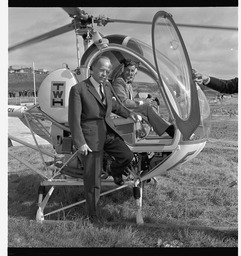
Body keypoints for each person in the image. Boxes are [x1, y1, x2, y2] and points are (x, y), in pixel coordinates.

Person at [68, 56, 138, 223]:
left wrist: (129, 114)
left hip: (107, 132)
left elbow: (113, 105)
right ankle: (93, 216)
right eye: (102, 70)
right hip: (90, 138)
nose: (105, 74)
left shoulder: (106, 86)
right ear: (92, 69)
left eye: (107, 71)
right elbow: (74, 119)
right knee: (93, 180)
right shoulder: (79, 89)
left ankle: (114, 171)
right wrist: (80, 143)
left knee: (127, 156)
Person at [112, 59, 175, 138]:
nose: (130, 73)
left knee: (150, 106)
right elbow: (124, 102)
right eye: (128, 70)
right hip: (122, 110)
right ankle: (169, 129)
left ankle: (165, 127)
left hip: (127, 108)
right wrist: (143, 102)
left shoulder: (127, 82)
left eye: (132, 71)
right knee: (147, 107)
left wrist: (145, 98)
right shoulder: (119, 82)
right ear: (123, 69)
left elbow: (131, 99)